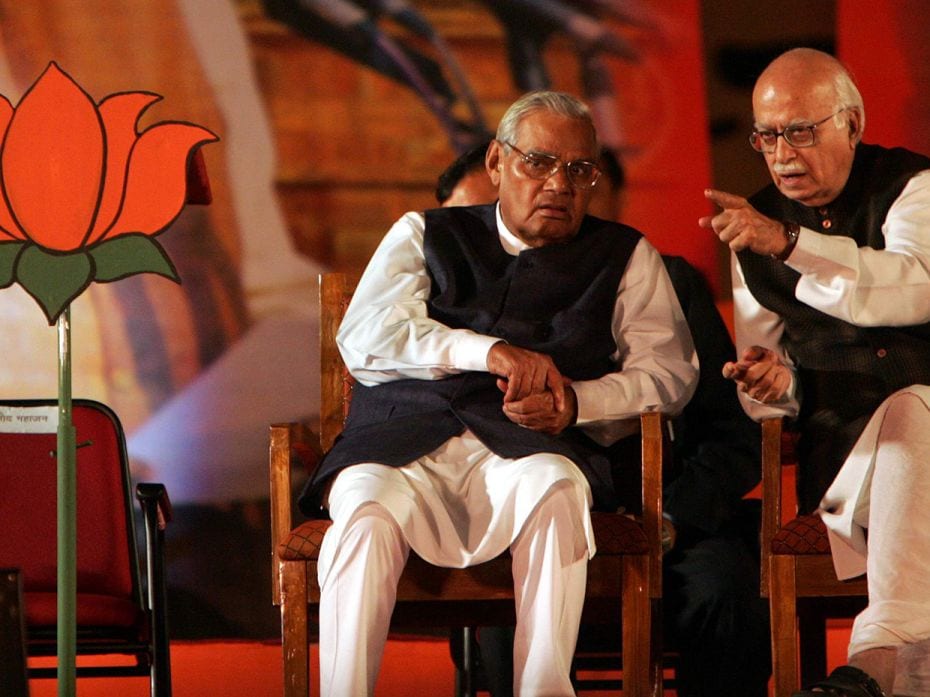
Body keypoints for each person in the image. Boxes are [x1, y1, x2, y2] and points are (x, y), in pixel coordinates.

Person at [298, 90, 698, 697]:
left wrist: (577, 402)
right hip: (402, 447)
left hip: (526, 451)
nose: (559, 185)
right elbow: (366, 336)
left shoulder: (625, 256)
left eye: (578, 170)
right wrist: (483, 351)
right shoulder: (424, 233)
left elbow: (669, 373)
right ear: (496, 164)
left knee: (559, 491)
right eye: (538, 163)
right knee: (365, 515)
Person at [440, 142, 770, 696]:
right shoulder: (461, 312)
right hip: (520, 528)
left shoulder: (668, 282)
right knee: (504, 602)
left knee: (727, 589)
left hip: (666, 521)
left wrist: (670, 518)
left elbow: (731, 433)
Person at [699, 47, 930, 697]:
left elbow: (913, 287)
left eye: (801, 130)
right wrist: (778, 386)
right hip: (847, 471)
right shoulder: (753, 230)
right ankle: (886, 667)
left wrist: (792, 243)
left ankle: (874, 666)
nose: (781, 152)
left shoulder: (912, 188)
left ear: (852, 124)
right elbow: (767, 387)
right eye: (767, 135)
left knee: (916, 403)